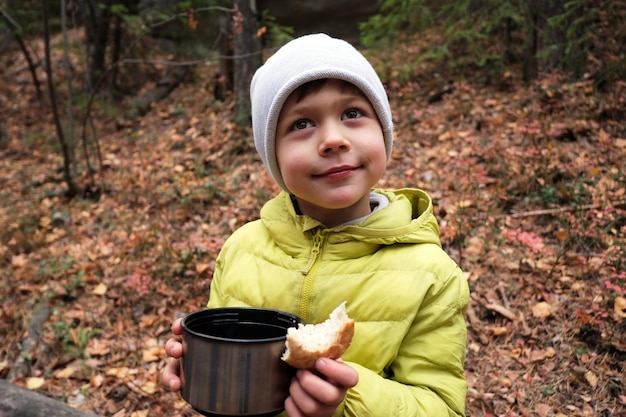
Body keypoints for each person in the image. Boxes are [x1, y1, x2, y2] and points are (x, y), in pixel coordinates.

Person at [162, 33, 470, 416]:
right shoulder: (243, 249)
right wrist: (200, 364)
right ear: (272, 154)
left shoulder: (431, 275)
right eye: (302, 123)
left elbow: (441, 406)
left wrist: (346, 401)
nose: (333, 139)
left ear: (384, 129)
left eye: (353, 113)